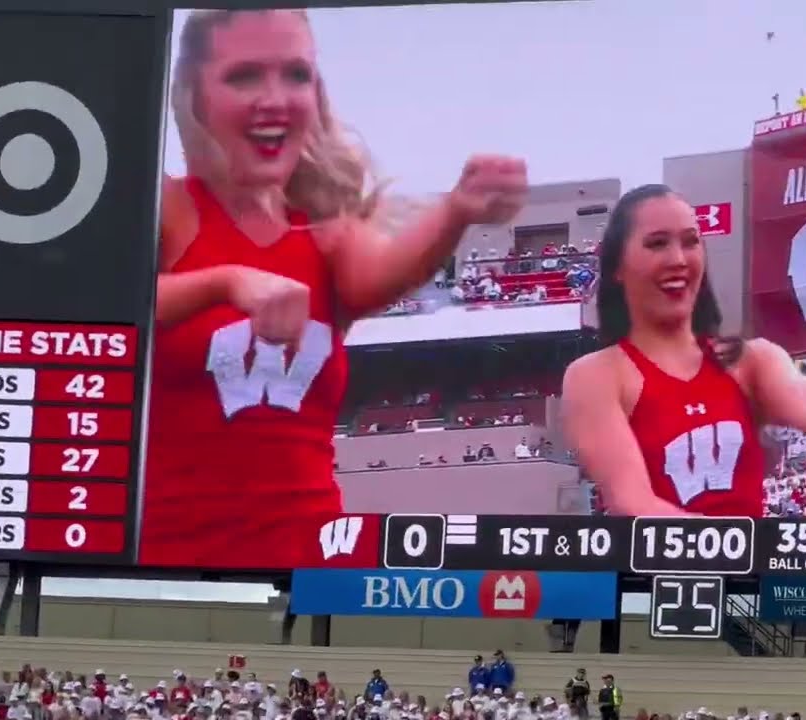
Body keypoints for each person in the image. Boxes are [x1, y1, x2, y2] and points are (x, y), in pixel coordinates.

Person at [141, 8, 527, 567]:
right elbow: (100, 308)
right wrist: (224, 283)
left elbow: (379, 277)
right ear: (194, 95)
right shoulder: (168, 207)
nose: (273, 98)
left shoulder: (323, 226)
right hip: (159, 565)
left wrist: (456, 210)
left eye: (295, 75)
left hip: (306, 562)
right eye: (244, 75)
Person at [560, 184, 806, 516]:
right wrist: (732, 549)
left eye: (691, 242)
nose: (679, 259)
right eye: (657, 243)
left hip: (748, 575)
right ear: (618, 266)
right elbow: (634, 503)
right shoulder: (596, 375)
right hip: (653, 574)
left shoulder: (749, 361)